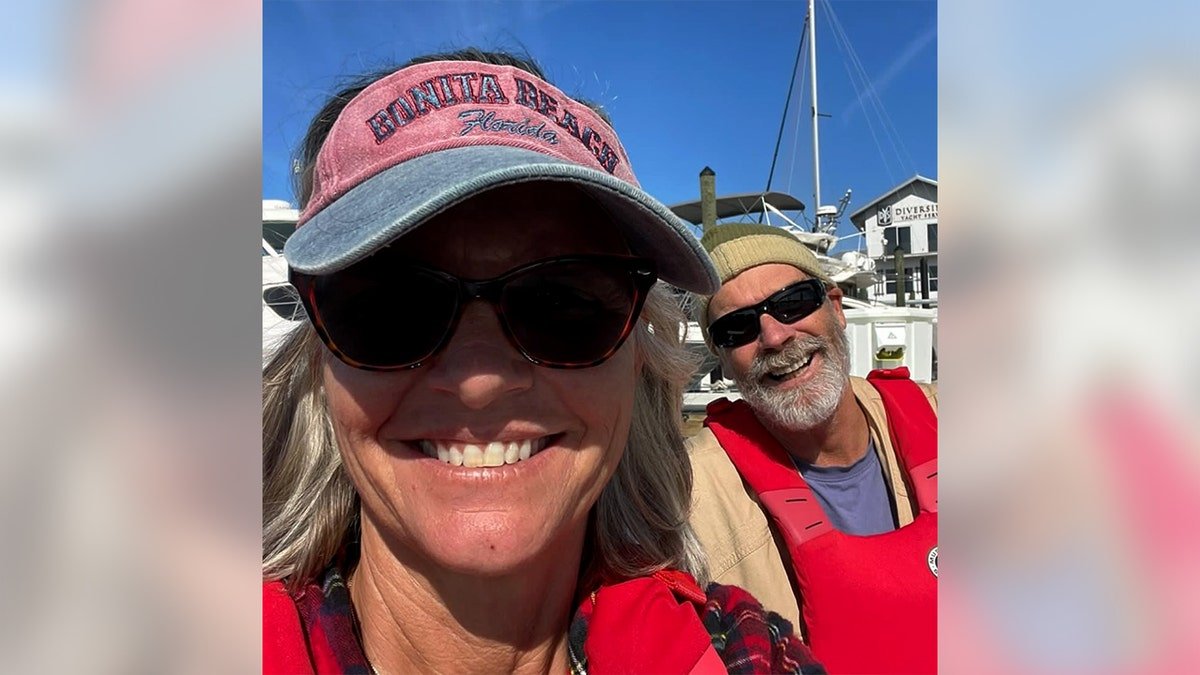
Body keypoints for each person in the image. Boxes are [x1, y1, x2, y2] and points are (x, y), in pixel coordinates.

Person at [262, 49, 825, 675]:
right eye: (392, 307)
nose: (479, 380)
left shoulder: (746, 655)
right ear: (320, 365)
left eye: (565, 304)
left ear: (640, 361)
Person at [687, 223, 937, 674]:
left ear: (836, 307)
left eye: (792, 303)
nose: (776, 337)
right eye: (738, 327)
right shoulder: (686, 497)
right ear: (720, 356)